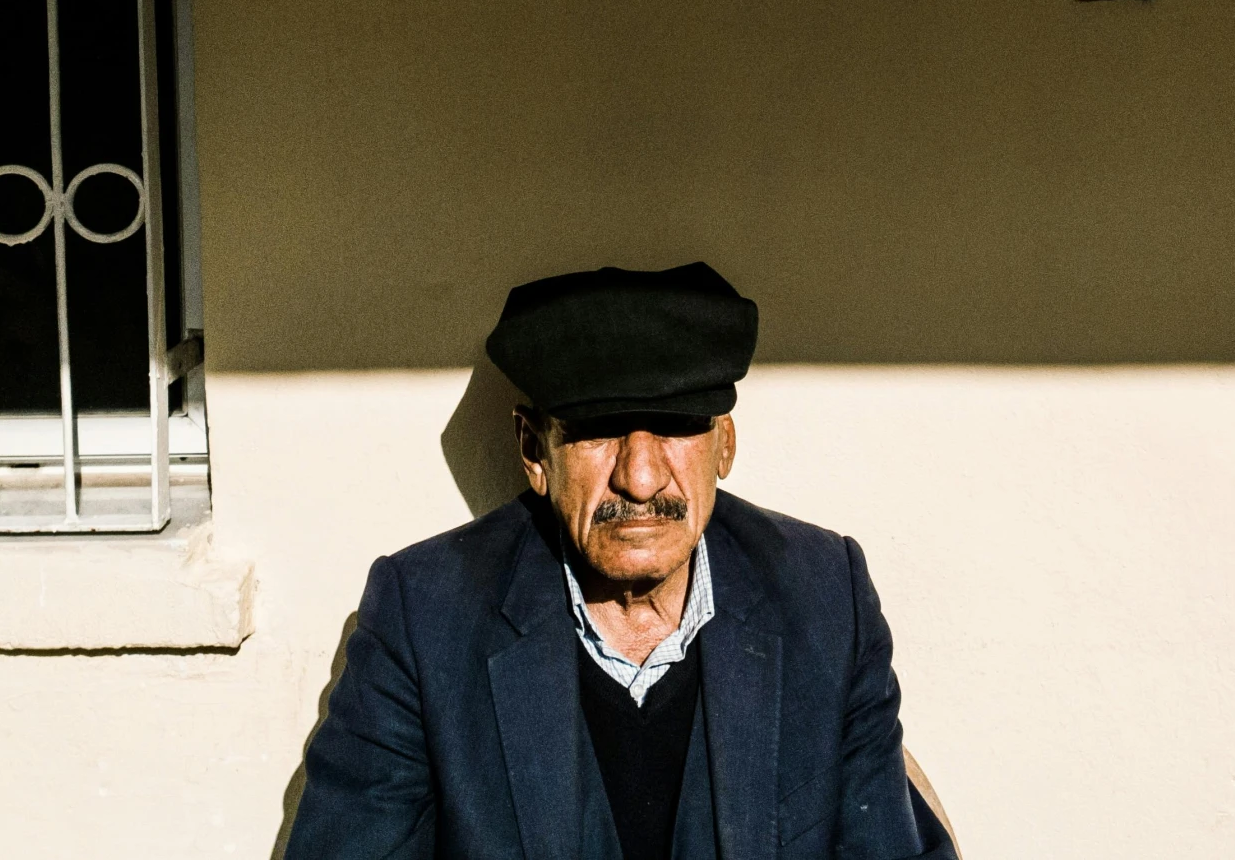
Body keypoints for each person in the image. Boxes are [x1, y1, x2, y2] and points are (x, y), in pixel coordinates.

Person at [284, 262, 958, 860]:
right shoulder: (423, 616)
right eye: (598, 431)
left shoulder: (822, 596)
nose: (640, 479)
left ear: (723, 444)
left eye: (673, 427)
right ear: (533, 451)